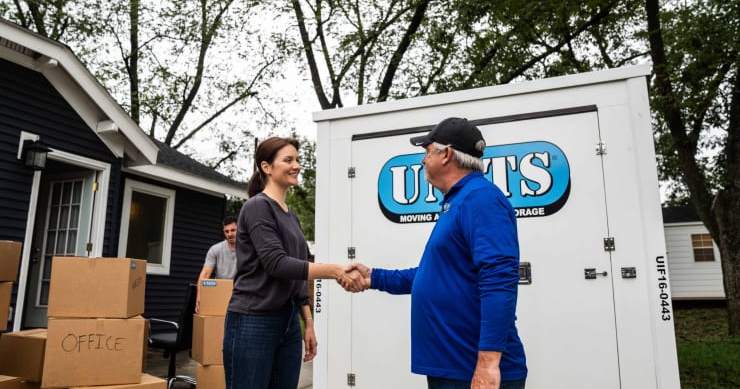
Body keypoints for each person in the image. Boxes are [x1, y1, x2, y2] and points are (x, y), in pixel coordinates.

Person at [343, 117, 527, 389]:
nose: (422, 161)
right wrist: (374, 277)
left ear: (447, 154)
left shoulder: (481, 199)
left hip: (470, 369)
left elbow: (499, 279)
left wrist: (488, 363)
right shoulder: (458, 202)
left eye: (427, 152)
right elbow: (437, 275)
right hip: (453, 367)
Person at [223, 136, 364, 389]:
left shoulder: (291, 215)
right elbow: (277, 264)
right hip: (253, 321)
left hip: (288, 323)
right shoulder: (257, 207)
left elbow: (297, 274)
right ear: (266, 167)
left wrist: (307, 323)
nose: (296, 165)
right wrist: (335, 270)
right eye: (288, 160)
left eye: (297, 160)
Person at [195, 215, 239, 314]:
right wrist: (200, 296)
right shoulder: (215, 249)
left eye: (233, 230)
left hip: (239, 294)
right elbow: (205, 274)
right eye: (226, 231)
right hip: (219, 293)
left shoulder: (247, 249)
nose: (230, 234)